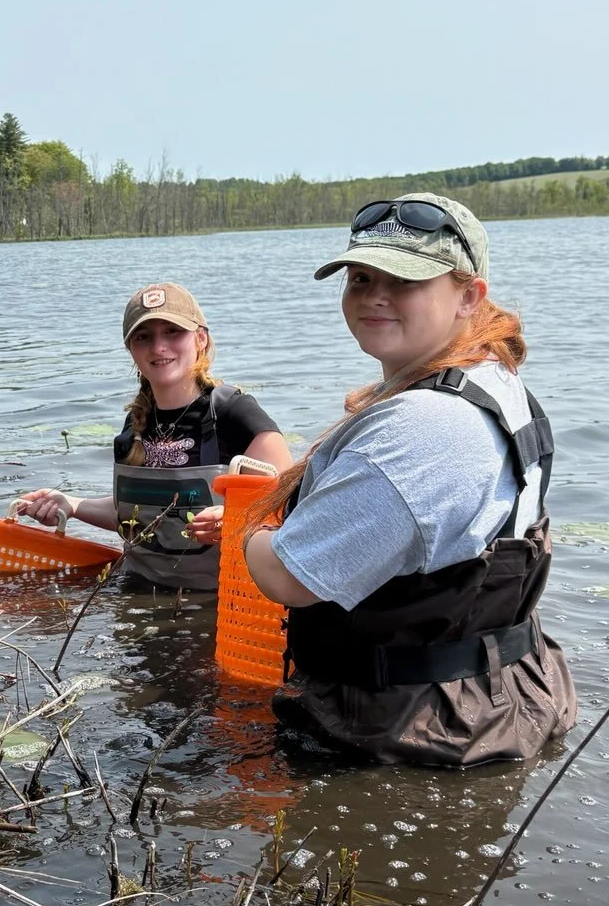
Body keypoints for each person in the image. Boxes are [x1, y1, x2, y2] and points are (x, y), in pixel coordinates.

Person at [240, 193, 574, 766]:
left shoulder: (426, 426)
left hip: (411, 732)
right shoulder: (495, 381)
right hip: (494, 699)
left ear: (469, 296)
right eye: (362, 276)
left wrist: (250, 532)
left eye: (405, 280)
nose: (375, 295)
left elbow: (292, 577)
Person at [15, 283, 291, 590]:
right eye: (143, 337)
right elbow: (138, 515)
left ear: (201, 339)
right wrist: (72, 505)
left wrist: (237, 519)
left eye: (172, 332)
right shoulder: (134, 424)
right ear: (130, 349)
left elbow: (292, 506)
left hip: (219, 602)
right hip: (138, 591)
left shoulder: (234, 414)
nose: (159, 347)